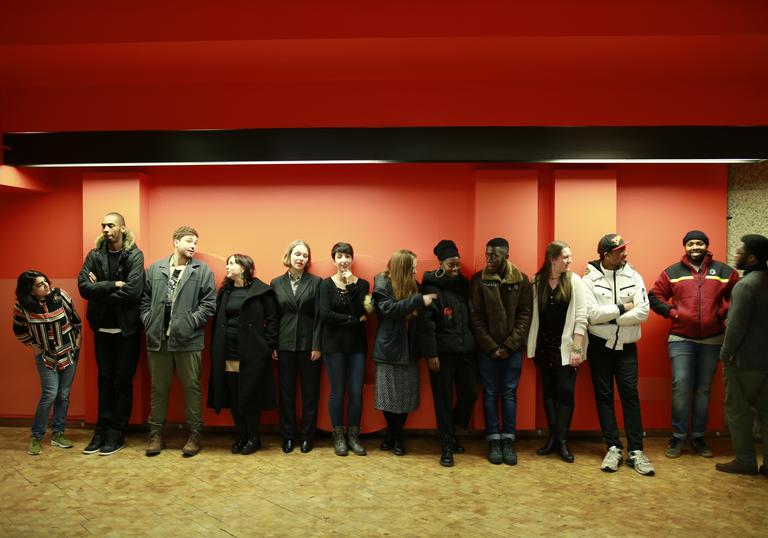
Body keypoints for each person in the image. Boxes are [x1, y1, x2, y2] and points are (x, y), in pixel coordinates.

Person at [649, 230, 739, 459]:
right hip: (681, 340)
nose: (695, 247)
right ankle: (678, 437)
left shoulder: (725, 272)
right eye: (691, 244)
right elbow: (654, 295)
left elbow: (737, 296)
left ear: (706, 246)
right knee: (681, 387)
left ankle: (698, 437)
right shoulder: (673, 272)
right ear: (685, 247)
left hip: (712, 340)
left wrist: (722, 312)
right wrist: (672, 312)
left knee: (703, 390)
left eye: (699, 243)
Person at [140, 225, 216, 457]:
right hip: (158, 340)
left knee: (191, 387)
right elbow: (143, 299)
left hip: (189, 341)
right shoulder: (155, 268)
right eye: (189, 241)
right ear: (175, 241)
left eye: (196, 242)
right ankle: (156, 434)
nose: (193, 246)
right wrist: (148, 318)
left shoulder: (202, 271)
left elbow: (209, 304)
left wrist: (190, 322)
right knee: (158, 388)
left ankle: (195, 434)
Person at [583, 233, 654, 476]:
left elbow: (643, 311)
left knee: (630, 395)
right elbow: (592, 315)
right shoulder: (589, 280)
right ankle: (613, 447)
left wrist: (611, 318)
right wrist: (624, 309)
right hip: (599, 347)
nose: (625, 254)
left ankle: (636, 451)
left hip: (626, 347)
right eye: (620, 251)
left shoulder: (634, 276)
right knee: (604, 396)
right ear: (606, 255)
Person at [77, 212, 145, 456]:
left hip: (126, 330)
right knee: (105, 380)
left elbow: (134, 292)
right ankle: (101, 428)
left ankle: (117, 432)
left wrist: (100, 288)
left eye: (111, 225)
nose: (106, 229)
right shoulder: (95, 254)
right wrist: (113, 284)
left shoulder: (134, 255)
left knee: (122, 381)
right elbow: (84, 288)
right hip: (101, 330)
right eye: (103, 225)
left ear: (122, 229)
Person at [469, 237, 533, 466]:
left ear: (506, 255)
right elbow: (475, 317)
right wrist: (491, 347)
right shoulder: (478, 281)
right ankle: (493, 441)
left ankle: (508, 440)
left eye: (494, 255)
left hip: (512, 350)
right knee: (489, 393)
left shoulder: (522, 280)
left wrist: (508, 347)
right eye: (487, 255)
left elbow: (525, 315)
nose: (489, 259)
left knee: (508, 394)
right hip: (486, 350)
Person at [208, 254, 279, 455]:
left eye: (231, 263)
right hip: (227, 351)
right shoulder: (225, 291)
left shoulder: (262, 291)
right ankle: (241, 435)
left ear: (244, 267)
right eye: (227, 264)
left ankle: (254, 437)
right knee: (234, 396)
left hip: (252, 353)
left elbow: (273, 320)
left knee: (250, 396)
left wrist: (268, 345)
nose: (227, 267)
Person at [526, 241, 587, 463]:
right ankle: (552, 438)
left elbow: (581, 317)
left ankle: (562, 441)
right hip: (544, 347)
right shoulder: (537, 282)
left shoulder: (574, 281)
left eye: (570, 257)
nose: (570, 261)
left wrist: (577, 349)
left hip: (566, 349)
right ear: (552, 259)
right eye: (565, 257)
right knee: (549, 394)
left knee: (565, 394)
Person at [419, 239, 477, 467]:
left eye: (458, 264)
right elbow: (426, 324)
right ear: (441, 264)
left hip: (466, 351)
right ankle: (446, 444)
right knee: (442, 400)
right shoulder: (430, 287)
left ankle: (451, 429)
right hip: (441, 354)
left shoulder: (465, 284)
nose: (455, 269)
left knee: (470, 393)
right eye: (451, 265)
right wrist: (431, 354)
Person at [373, 249, 436, 456]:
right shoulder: (381, 283)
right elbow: (389, 309)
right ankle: (396, 435)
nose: (416, 271)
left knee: (405, 398)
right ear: (402, 267)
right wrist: (418, 300)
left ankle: (394, 436)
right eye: (413, 267)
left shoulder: (415, 286)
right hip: (389, 349)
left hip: (409, 349)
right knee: (387, 397)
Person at [13, 270, 82, 456]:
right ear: (30, 290)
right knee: (50, 393)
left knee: (64, 394)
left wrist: (77, 342)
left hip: (68, 352)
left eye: (45, 281)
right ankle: (36, 436)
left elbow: (75, 320)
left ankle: (58, 434)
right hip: (46, 356)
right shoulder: (22, 306)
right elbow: (18, 329)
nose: (46, 286)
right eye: (39, 284)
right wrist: (32, 345)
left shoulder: (61, 296)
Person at [715, 234, 768, 476]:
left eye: (739, 252)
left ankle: (745, 460)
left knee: (738, 411)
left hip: (745, 362)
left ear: (753, 257)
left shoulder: (746, 285)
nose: (736, 255)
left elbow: (736, 327)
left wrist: (725, 355)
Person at [271, 240, 323, 454]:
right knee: (286, 394)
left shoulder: (317, 282)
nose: (301, 259)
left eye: (305, 255)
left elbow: (320, 317)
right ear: (289, 256)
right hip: (284, 346)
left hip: (309, 346)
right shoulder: (276, 283)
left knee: (310, 393)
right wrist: (273, 343)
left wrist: (317, 344)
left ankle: (307, 436)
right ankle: (288, 436)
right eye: (297, 254)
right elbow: (273, 317)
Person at [319, 242, 370, 456]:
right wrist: (352, 320)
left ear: (352, 259)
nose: (343, 260)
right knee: (337, 392)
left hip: (357, 345)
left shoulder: (363, 285)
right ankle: (338, 436)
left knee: (356, 392)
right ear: (334, 260)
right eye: (339, 256)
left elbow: (362, 310)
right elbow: (325, 315)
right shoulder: (325, 285)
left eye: (347, 256)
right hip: (333, 345)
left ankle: (353, 436)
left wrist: (350, 285)